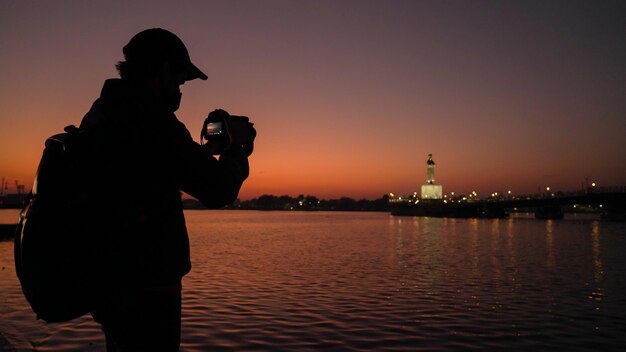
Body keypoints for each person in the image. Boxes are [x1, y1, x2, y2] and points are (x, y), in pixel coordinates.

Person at [79, 28, 255, 351]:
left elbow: (147, 171)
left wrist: (203, 153)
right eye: (177, 79)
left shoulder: (106, 112)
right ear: (160, 70)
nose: (179, 90)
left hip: (111, 283)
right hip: (148, 290)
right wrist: (237, 149)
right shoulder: (152, 122)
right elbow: (219, 189)